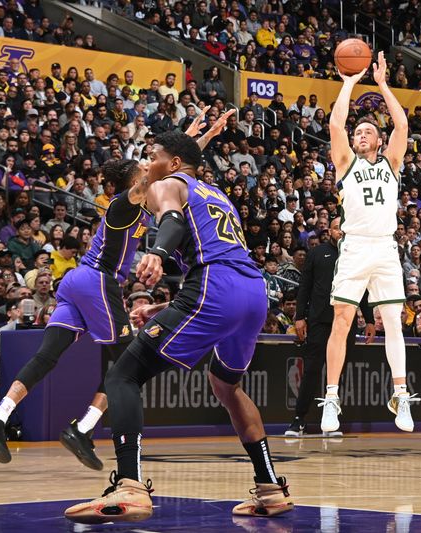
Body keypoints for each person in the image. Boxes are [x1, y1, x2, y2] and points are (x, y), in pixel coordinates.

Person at [65, 129, 292, 524]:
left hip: (214, 288)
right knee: (226, 386)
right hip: (252, 292)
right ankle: (270, 488)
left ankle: (131, 486)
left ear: (171, 164)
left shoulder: (167, 183)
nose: (147, 163)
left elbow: (169, 220)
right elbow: (215, 252)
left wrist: (156, 252)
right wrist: (164, 306)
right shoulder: (214, 193)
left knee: (123, 375)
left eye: (152, 155)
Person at [0, 159, 152, 467]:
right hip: (98, 279)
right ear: (133, 180)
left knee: (48, 355)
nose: (150, 168)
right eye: (144, 168)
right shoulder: (124, 204)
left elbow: (172, 163)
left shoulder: (142, 204)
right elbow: (159, 172)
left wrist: (193, 139)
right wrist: (175, 152)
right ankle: (82, 429)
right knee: (129, 363)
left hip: (75, 282)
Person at [318, 52, 416, 435]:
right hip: (356, 247)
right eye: (358, 132)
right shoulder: (345, 163)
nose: (360, 135)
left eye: (367, 132)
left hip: (386, 248)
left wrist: (383, 85)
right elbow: (335, 123)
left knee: (392, 321)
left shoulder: (391, 162)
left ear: (379, 140)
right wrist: (348, 83)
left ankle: (401, 395)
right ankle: (331, 398)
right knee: (342, 321)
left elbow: (403, 123)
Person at [287, 217, 375, 437]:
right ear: (330, 231)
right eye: (337, 229)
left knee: (338, 373)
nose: (341, 232)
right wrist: (300, 317)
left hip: (346, 323)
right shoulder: (317, 253)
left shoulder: (356, 256)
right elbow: (305, 287)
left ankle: (332, 420)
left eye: (344, 228)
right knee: (312, 370)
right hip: (319, 320)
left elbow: (363, 291)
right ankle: (298, 419)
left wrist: (370, 319)